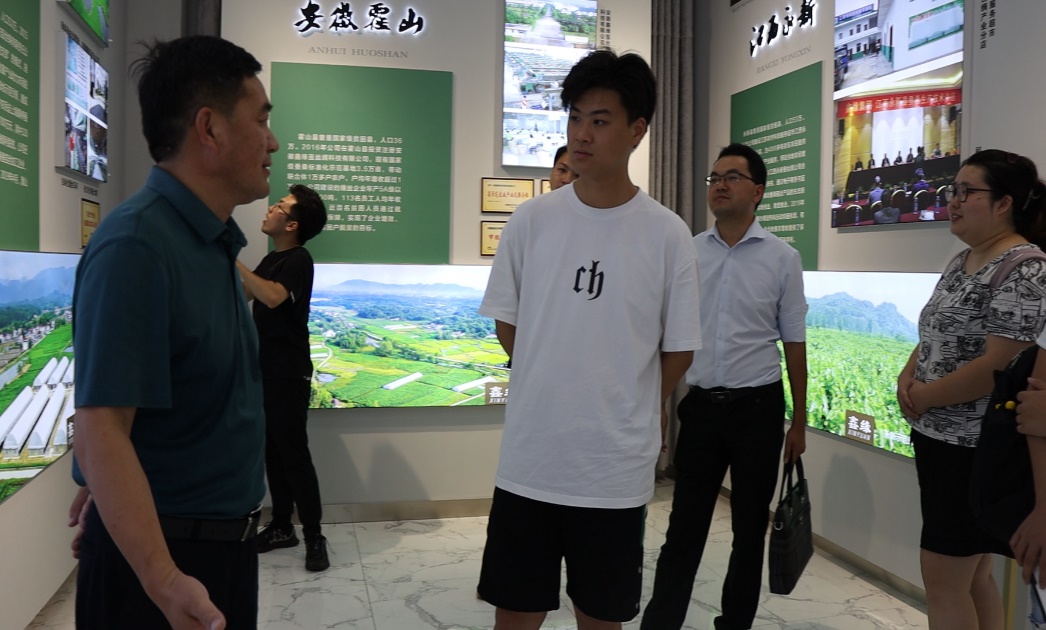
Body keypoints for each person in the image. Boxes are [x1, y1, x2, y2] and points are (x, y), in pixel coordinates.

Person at [476, 50, 701, 630]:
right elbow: (507, 321)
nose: (581, 134)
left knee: (601, 617)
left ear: (637, 130)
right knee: (515, 614)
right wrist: (553, 375)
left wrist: (631, 396)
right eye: (575, 117)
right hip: (532, 456)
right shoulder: (532, 221)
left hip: (613, 467)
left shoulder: (667, 234)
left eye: (599, 121)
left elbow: (679, 347)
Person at [71, 35, 277, 629]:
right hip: (166, 570)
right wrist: (160, 576)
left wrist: (110, 491)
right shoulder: (137, 246)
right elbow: (102, 427)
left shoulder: (209, 241)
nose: (272, 141)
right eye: (261, 119)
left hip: (216, 549)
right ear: (209, 129)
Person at [641, 143, 808, 630]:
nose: (719, 184)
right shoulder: (689, 251)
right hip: (701, 410)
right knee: (684, 528)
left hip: (758, 409)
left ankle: (734, 624)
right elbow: (666, 335)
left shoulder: (783, 258)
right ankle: (661, 624)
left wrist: (798, 421)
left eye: (732, 176)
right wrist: (658, 404)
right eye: (714, 177)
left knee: (749, 529)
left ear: (757, 192)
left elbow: (794, 342)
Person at [897, 149, 1046, 629]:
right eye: (953, 190)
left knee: (943, 579)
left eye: (967, 191)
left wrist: (924, 396)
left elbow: (998, 365)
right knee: (974, 575)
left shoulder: (1026, 268)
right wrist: (908, 375)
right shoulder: (963, 258)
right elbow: (935, 331)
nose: (954, 201)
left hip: (973, 447)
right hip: (940, 440)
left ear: (1004, 203)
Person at [236, 184, 330, 572]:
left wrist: (232, 259)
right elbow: (246, 294)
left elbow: (273, 296)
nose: (271, 208)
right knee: (273, 451)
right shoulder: (272, 258)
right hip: (265, 369)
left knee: (293, 453)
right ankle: (280, 526)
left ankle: (314, 535)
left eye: (280, 206)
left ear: (292, 225)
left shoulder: (298, 259)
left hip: (288, 372)